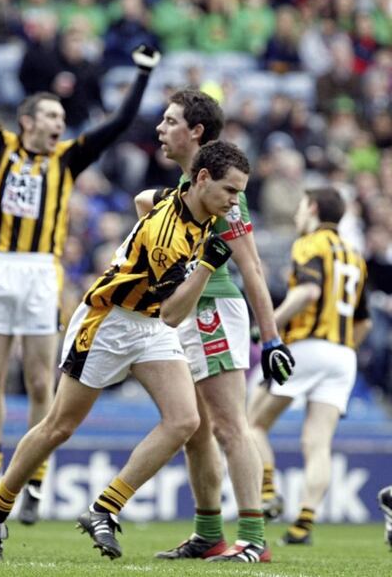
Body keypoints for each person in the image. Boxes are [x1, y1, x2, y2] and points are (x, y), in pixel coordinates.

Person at [0, 140, 246, 561]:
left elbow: (144, 199)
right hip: (108, 323)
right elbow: (174, 314)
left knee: (185, 421)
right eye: (231, 190)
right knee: (59, 427)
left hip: (148, 325)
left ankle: (104, 508)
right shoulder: (167, 237)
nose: (236, 202)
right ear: (204, 178)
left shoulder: (184, 201)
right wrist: (207, 265)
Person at [0, 21, 161, 526]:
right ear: (27, 120)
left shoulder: (67, 160)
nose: (58, 122)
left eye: (60, 116)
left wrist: (140, 75)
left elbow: (118, 124)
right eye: (49, 114)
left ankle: (33, 479)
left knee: (38, 379)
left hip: (41, 272)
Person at [134, 89, 294, 563]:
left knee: (229, 426)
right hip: (188, 314)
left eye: (169, 121)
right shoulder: (185, 188)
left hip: (213, 313)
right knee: (196, 430)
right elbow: (145, 201)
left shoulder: (226, 193)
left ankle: (253, 539)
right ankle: (208, 533)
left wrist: (272, 339)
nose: (160, 130)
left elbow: (252, 269)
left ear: (195, 132)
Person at [249, 187, 371, 546]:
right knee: (317, 443)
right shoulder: (355, 254)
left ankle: (268, 493)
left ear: (313, 208)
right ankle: (303, 524)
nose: (299, 213)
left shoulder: (309, 243)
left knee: (252, 422)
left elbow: (308, 293)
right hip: (343, 354)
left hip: (306, 346)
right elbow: (364, 323)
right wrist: (341, 351)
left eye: (301, 206)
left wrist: (267, 325)